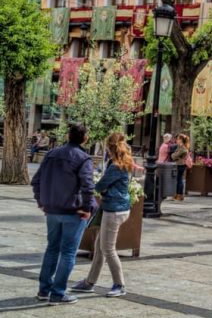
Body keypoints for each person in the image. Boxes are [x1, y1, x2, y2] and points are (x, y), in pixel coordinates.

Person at [31, 122, 96, 305]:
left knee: (52, 249)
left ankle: (44, 290)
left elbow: (36, 181)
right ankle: (58, 293)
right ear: (85, 138)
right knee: (68, 252)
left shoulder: (51, 154)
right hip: (73, 211)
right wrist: (87, 208)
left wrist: (42, 202)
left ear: (68, 136)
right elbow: (88, 186)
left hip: (52, 209)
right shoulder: (83, 158)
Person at [70, 133, 134, 298]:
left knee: (108, 249)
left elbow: (99, 186)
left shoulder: (115, 166)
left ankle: (119, 284)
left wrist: (101, 187)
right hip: (118, 207)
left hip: (114, 210)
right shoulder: (124, 162)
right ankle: (89, 282)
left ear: (109, 147)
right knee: (99, 247)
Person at [170, 133, 192, 201]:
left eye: (178, 139)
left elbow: (173, 156)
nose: (177, 140)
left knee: (179, 180)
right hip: (179, 164)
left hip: (181, 165)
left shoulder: (183, 148)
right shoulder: (180, 147)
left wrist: (174, 155)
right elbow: (174, 155)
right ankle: (177, 194)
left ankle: (179, 195)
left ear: (181, 140)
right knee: (178, 180)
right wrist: (174, 155)